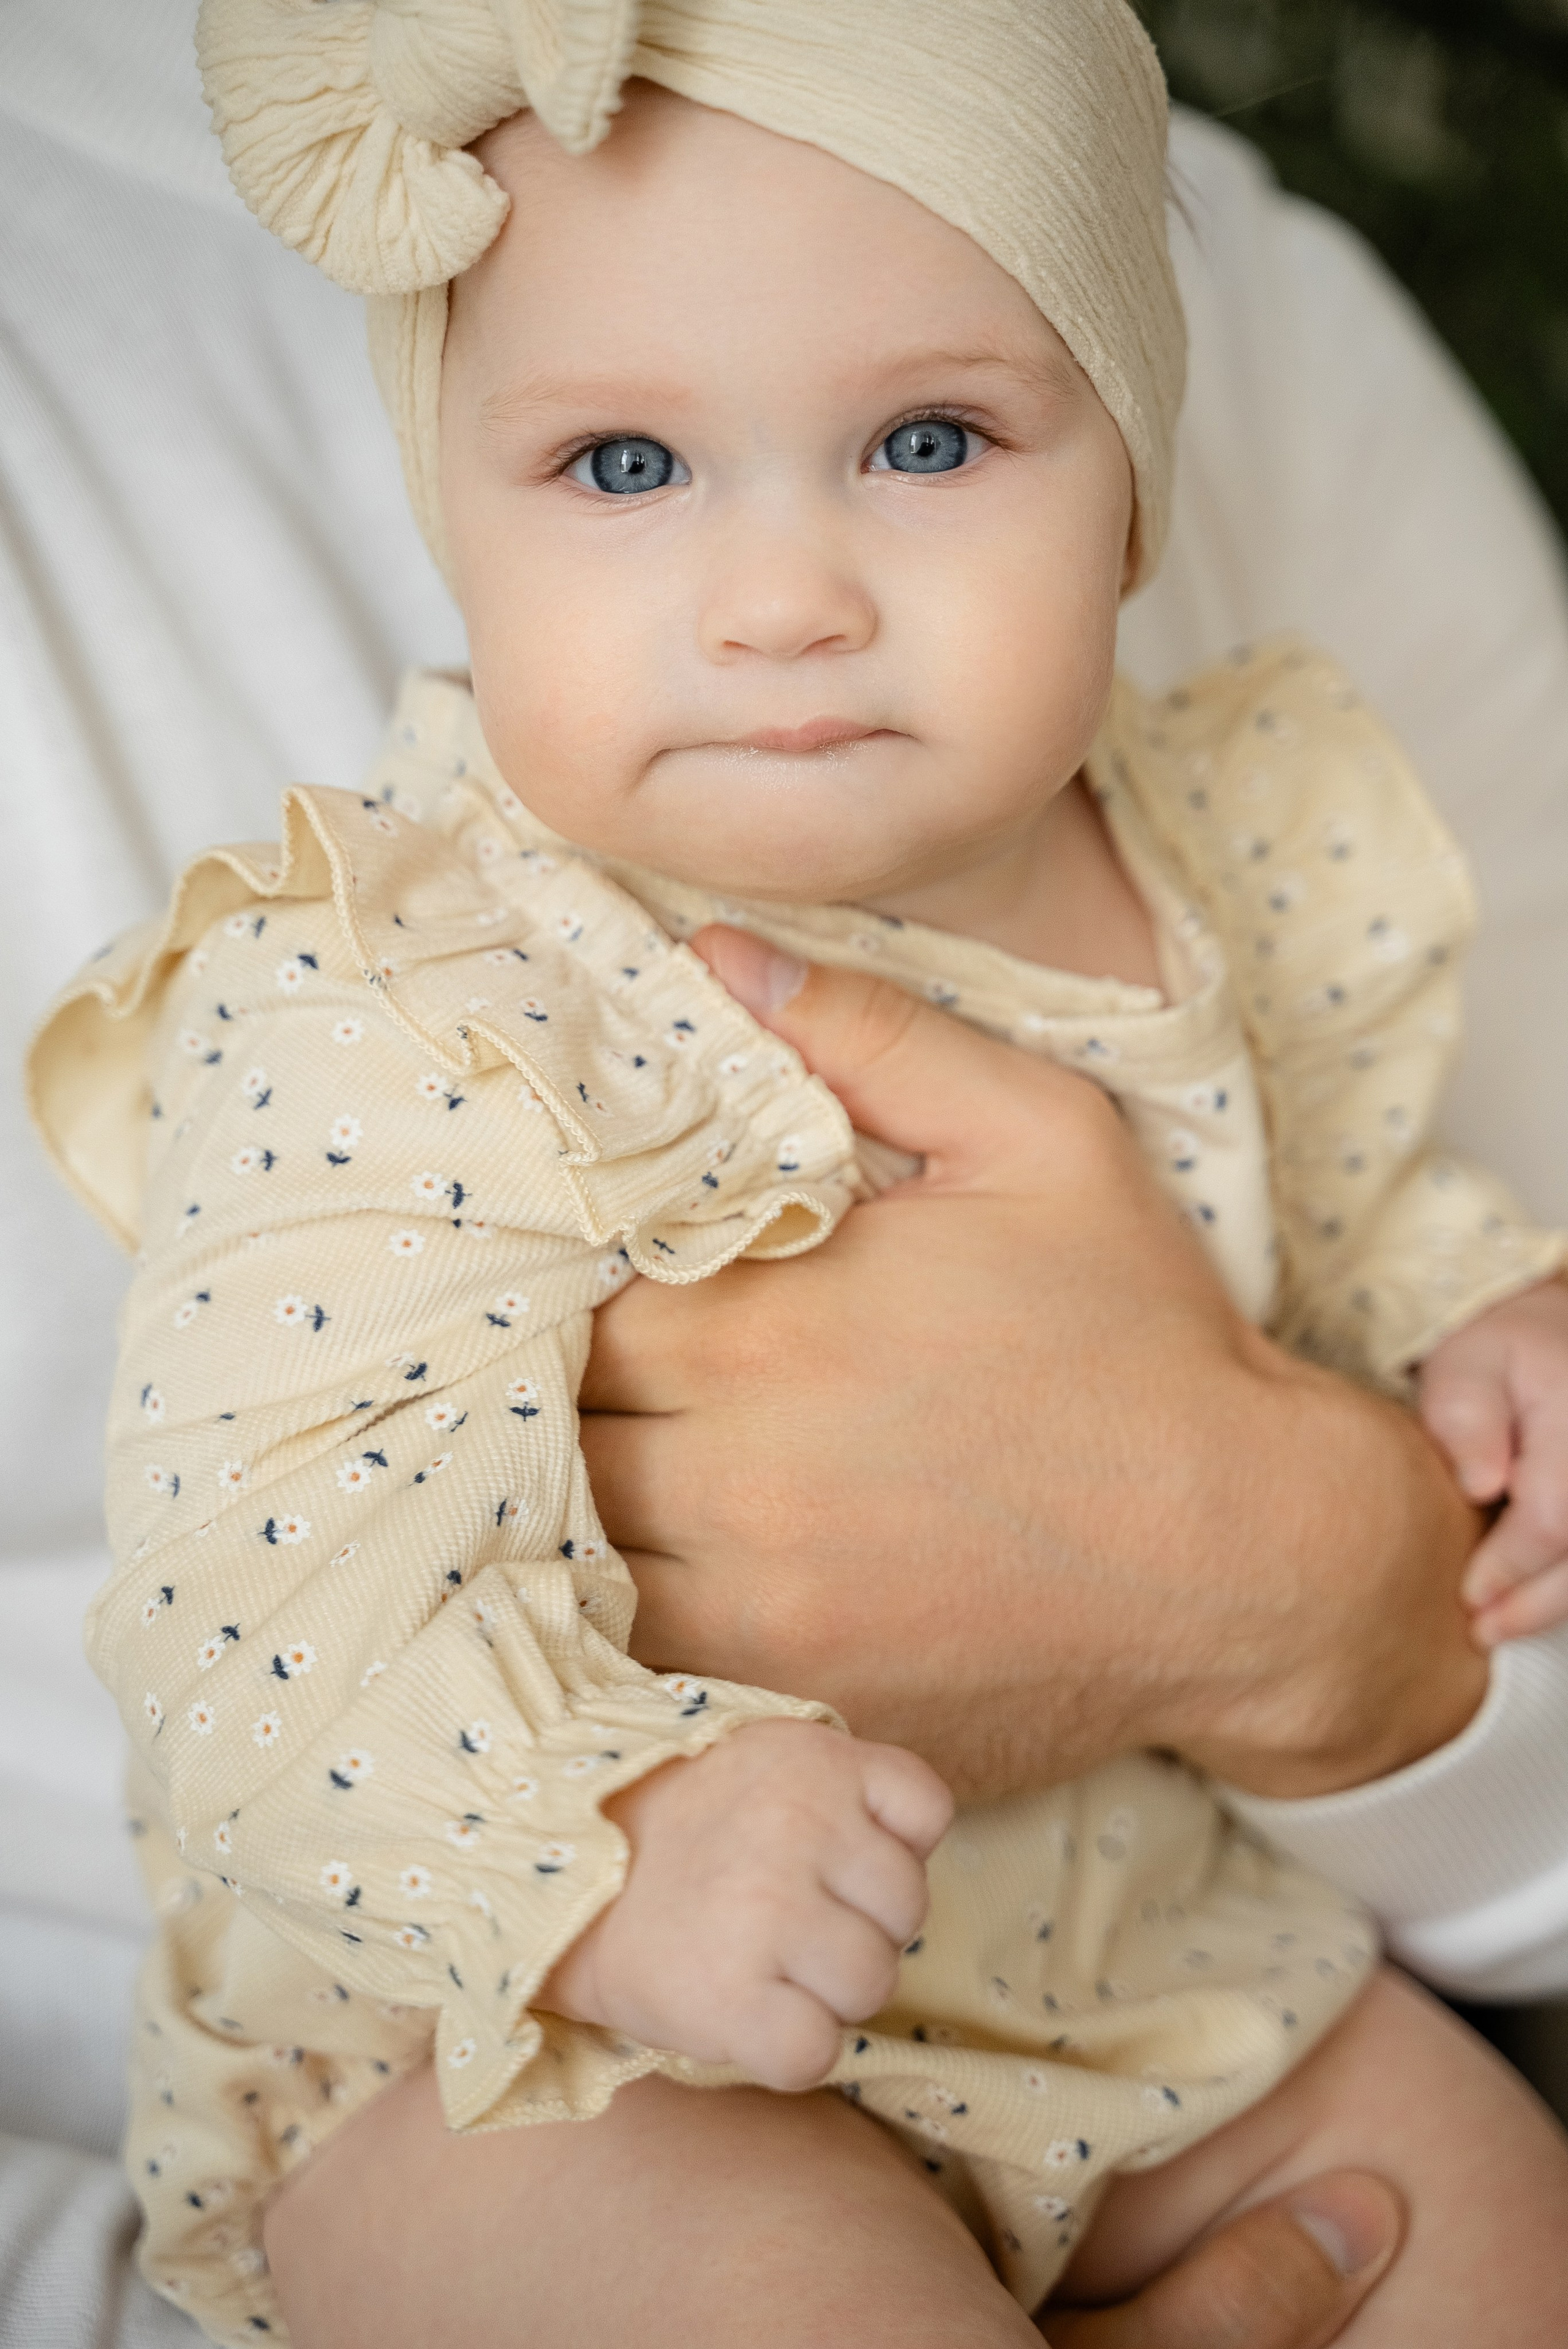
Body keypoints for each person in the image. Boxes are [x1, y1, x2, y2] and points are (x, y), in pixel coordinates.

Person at [23, 3, 1568, 2345]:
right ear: (452, 504)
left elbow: (1341, 1226)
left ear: (1131, 481)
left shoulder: (1235, 847)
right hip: (556, 2051)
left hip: (1151, 1972)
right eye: (626, 463)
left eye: (926, 441)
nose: (784, 598)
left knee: (1504, 2219)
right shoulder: (400, 991)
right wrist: (593, 1850)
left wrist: (1496, 1343)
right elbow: (256, 1597)